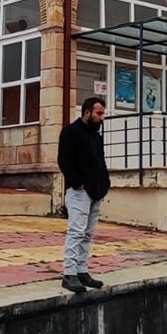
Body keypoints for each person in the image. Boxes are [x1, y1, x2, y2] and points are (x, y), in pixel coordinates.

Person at [57, 96, 110, 293]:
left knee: (88, 234)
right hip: (79, 192)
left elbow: (100, 162)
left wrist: (105, 183)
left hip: (96, 191)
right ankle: (69, 274)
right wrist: (77, 182)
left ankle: (82, 271)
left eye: (103, 113)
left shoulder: (97, 137)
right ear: (87, 113)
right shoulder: (70, 132)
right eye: (99, 113)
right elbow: (64, 160)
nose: (102, 117)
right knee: (76, 232)